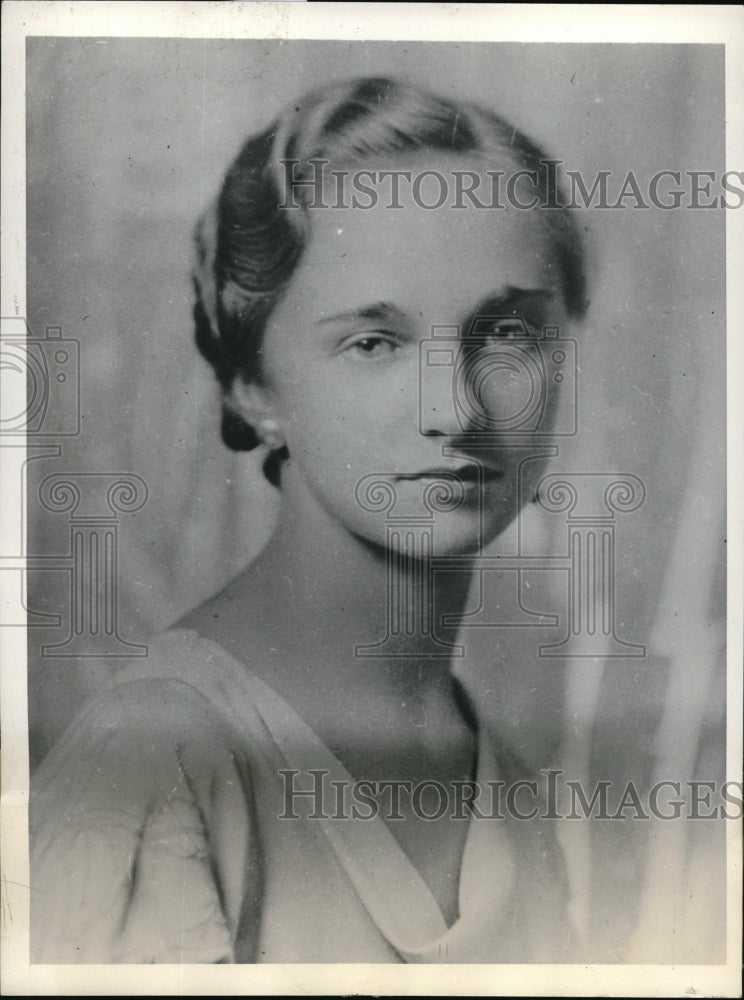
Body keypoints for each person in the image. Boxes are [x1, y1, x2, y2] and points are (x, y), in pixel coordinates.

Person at [30, 76, 587, 963]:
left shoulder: (511, 792)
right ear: (255, 386)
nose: (455, 409)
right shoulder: (155, 773)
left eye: (508, 333)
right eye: (374, 342)